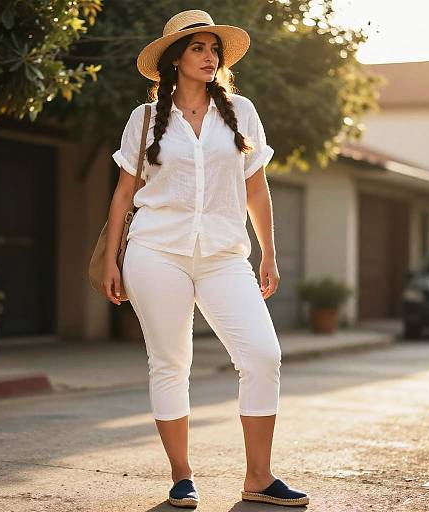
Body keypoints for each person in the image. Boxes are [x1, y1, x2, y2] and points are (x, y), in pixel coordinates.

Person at [103, 9, 309, 509]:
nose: (209, 56)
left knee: (263, 355)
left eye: (213, 48)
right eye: (198, 47)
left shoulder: (240, 112)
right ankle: (182, 476)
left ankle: (258, 478)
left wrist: (269, 253)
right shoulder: (146, 118)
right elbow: (123, 193)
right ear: (175, 59)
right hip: (156, 252)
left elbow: (255, 188)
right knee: (171, 363)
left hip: (223, 254)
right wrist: (112, 260)